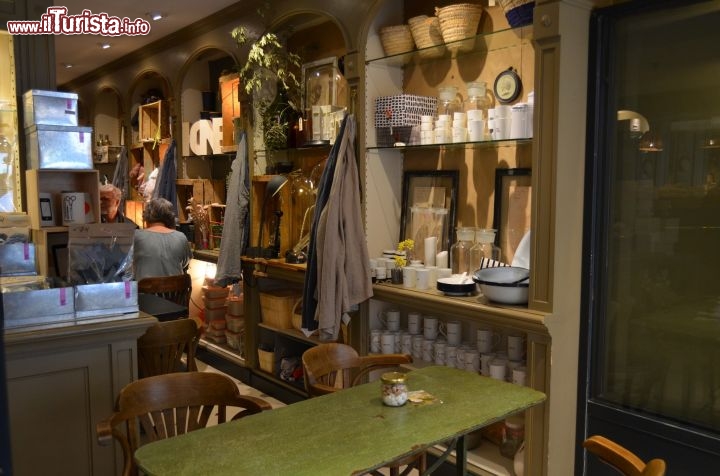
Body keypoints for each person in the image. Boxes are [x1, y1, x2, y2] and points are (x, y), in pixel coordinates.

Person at [133, 197, 192, 281]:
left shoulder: (136, 236)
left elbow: (126, 270)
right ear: (170, 217)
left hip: (144, 292)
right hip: (175, 292)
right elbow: (185, 263)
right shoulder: (181, 237)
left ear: (146, 215)